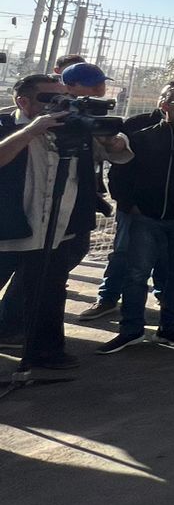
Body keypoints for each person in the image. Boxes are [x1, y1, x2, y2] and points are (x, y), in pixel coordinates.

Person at [0, 74, 129, 370]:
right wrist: (30, 132)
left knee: (49, 293)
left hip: (56, 229)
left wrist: (114, 142)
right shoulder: (5, 124)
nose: (59, 104)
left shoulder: (73, 128)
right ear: (23, 101)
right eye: (49, 98)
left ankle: (45, 353)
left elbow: (117, 152)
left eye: (64, 98)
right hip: (7, 228)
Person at [98, 84, 174, 353]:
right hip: (146, 217)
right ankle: (130, 330)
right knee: (136, 274)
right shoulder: (143, 137)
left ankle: (170, 328)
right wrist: (130, 205)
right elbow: (120, 173)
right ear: (164, 106)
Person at [77, 81, 174, 322]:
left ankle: (163, 295)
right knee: (123, 253)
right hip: (135, 206)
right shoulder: (137, 124)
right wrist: (126, 201)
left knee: (166, 255)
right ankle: (108, 298)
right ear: (163, 102)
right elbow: (119, 168)